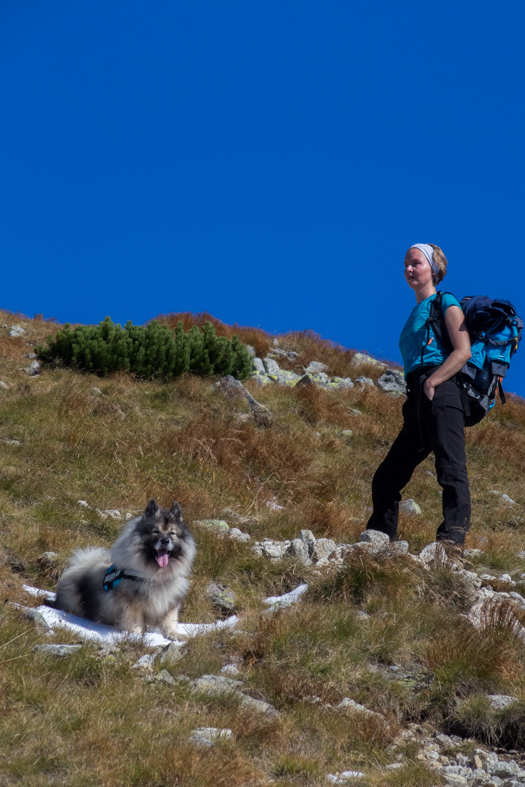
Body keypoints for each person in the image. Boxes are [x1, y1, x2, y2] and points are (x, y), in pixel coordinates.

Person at [366, 243, 472, 550]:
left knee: (450, 467)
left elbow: (462, 350)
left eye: (416, 264)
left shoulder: (445, 301)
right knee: (386, 477)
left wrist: (433, 382)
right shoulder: (416, 312)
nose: (409, 269)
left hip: (442, 390)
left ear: (434, 269)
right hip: (417, 398)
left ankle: (451, 543)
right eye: (406, 265)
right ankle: (379, 541)